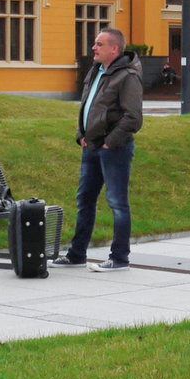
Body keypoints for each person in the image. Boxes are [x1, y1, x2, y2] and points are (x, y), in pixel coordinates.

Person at [53, 27, 142, 272]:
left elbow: (133, 117)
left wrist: (109, 142)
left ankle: (120, 258)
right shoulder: (96, 71)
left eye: (99, 44)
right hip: (90, 147)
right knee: (85, 201)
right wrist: (81, 135)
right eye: (95, 44)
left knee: (117, 203)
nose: (94, 48)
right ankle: (76, 255)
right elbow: (88, 107)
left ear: (114, 48)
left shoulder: (127, 76)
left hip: (114, 149)